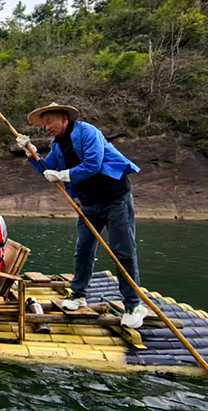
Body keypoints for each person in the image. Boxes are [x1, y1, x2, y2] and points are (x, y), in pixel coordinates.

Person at [17, 102, 147, 328]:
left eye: (49, 122)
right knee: (83, 250)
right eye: (44, 123)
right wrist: (31, 152)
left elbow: (93, 164)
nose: (46, 127)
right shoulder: (57, 145)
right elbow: (49, 170)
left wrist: (63, 174)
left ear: (64, 119)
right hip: (88, 203)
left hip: (115, 198)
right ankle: (78, 295)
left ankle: (134, 305)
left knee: (123, 250)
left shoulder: (88, 132)